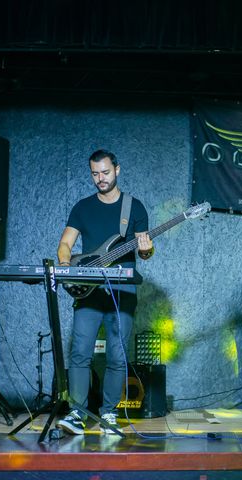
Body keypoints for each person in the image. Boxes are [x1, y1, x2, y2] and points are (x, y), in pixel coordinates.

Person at [56, 149, 154, 435]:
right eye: (95, 173)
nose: (100, 178)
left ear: (117, 170)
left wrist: (147, 250)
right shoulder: (82, 207)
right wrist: (66, 266)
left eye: (105, 172)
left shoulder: (134, 208)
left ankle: (108, 413)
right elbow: (65, 244)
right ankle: (76, 413)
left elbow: (143, 250)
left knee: (117, 355)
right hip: (88, 290)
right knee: (79, 352)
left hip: (122, 289)